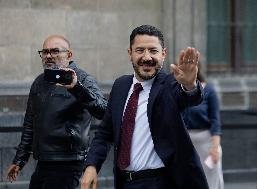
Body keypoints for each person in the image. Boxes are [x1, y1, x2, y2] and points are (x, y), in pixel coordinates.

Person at [80, 25, 209, 189]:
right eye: (140, 50)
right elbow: (105, 133)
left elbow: (190, 97)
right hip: (124, 182)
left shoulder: (170, 84)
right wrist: (91, 165)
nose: (147, 57)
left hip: (161, 182)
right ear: (130, 53)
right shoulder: (120, 85)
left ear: (163, 54)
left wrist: (190, 86)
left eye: (153, 51)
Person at [6, 35, 107, 189]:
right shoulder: (40, 82)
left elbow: (103, 111)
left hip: (69, 161)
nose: (48, 56)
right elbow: (30, 123)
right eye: (45, 52)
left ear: (69, 55)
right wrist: (20, 160)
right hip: (43, 161)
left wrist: (76, 88)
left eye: (54, 51)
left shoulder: (83, 79)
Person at [181, 63, 224, 189]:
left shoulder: (209, 90)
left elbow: (215, 120)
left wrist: (215, 147)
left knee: (209, 182)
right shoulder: (178, 91)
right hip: (185, 142)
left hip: (206, 143)